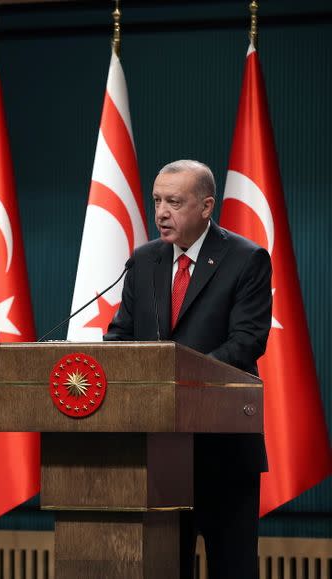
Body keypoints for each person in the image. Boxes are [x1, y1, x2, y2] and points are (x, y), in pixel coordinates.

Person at [104, 160, 272, 578]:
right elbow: (120, 336)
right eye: (157, 200)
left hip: (223, 449)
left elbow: (246, 343)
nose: (161, 211)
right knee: (163, 567)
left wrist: (175, 381)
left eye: (174, 202)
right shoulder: (144, 260)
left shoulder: (246, 259)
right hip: (158, 451)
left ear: (206, 206)